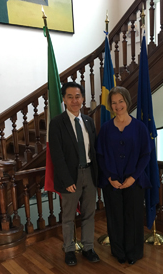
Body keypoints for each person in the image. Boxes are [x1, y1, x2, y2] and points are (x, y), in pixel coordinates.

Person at [96, 86, 152, 265]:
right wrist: (110, 177)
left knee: (133, 217)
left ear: (127, 101)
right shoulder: (105, 129)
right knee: (115, 217)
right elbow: (100, 155)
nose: (118, 105)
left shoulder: (140, 127)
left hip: (134, 181)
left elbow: (146, 155)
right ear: (110, 105)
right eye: (114, 102)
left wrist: (133, 177)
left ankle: (133, 253)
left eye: (121, 101)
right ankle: (119, 251)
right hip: (111, 181)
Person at [49, 82, 100, 266]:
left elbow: (93, 150)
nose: (74, 100)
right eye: (70, 96)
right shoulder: (56, 123)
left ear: (83, 98)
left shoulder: (88, 121)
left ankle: (88, 247)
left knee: (89, 214)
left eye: (77, 96)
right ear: (64, 99)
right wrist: (67, 179)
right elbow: (57, 156)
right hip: (70, 177)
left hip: (89, 174)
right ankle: (69, 249)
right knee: (69, 217)